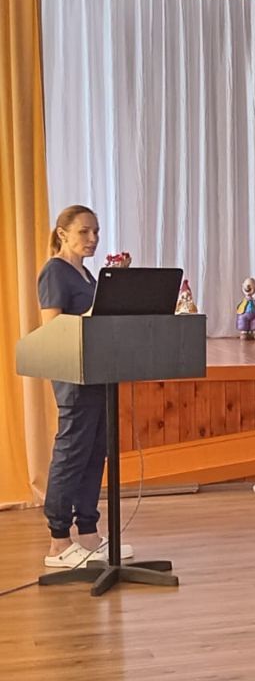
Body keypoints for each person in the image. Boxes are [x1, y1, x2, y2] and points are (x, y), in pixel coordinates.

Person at [38, 205, 132, 568]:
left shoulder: (89, 276)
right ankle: (59, 541)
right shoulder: (55, 272)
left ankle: (89, 533)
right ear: (62, 234)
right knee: (72, 455)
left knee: (96, 452)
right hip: (73, 377)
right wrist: (94, 316)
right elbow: (54, 327)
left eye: (96, 232)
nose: (93, 239)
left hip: (98, 374)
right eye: (84, 232)